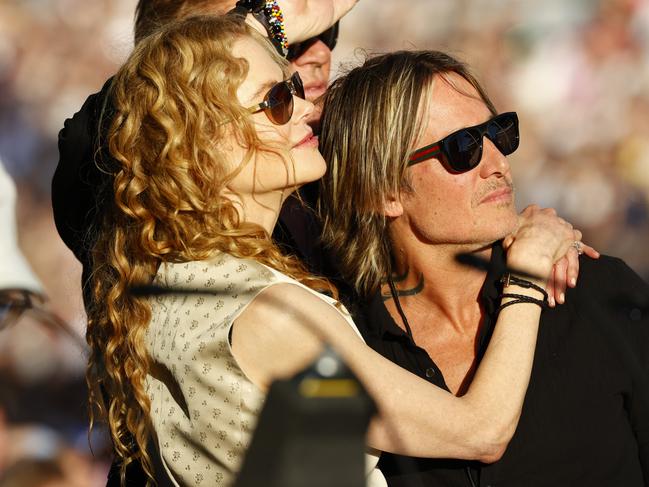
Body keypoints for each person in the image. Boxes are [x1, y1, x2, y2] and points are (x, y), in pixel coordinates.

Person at [86, 13, 591, 486]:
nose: (307, 108)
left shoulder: (159, 281)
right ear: (202, 144)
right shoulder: (269, 314)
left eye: (294, 89)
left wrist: (263, 18)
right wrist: (526, 274)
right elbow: (480, 431)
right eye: (277, 100)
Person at [318, 49, 649, 487]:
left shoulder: (599, 292)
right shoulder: (343, 338)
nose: (498, 164)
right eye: (463, 148)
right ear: (382, 192)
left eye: (499, 133)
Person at [52, 0, 340, 294]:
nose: (321, 53)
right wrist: (251, 21)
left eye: (328, 34)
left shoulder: (327, 163)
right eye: (283, 38)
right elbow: (89, 138)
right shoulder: (137, 212)